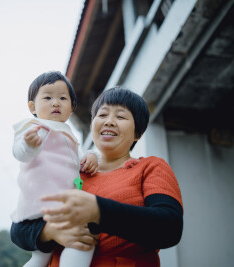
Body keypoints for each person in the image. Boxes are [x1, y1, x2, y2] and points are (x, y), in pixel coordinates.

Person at [11, 86, 183, 266]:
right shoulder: (72, 169)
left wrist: (98, 211)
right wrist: (50, 232)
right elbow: (19, 227)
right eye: (102, 115)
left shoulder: (150, 167)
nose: (109, 121)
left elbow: (169, 228)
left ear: (137, 133)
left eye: (120, 116)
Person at [11, 71, 99, 267]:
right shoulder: (33, 127)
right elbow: (19, 153)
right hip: (42, 201)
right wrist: (28, 145)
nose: (56, 102)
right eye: (48, 97)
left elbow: (78, 155)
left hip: (56, 203)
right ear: (33, 107)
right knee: (82, 239)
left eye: (62, 98)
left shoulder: (69, 135)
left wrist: (91, 156)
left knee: (40, 258)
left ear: (72, 107)